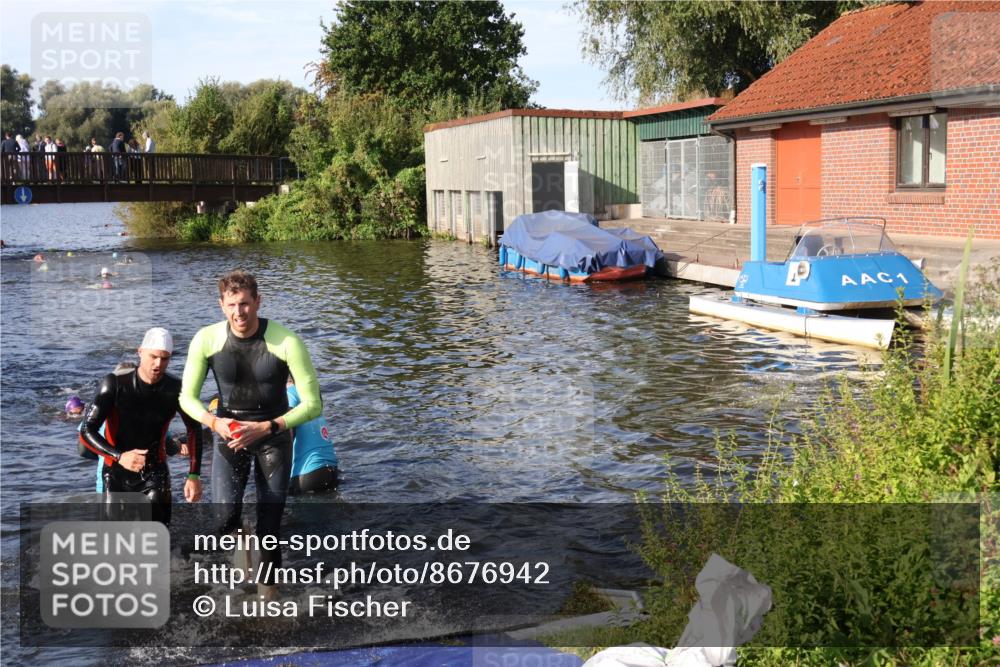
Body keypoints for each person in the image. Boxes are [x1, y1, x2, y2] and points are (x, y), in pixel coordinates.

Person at [180, 270, 321, 599]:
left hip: (272, 436)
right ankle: (242, 535)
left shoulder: (287, 342)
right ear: (221, 305)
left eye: (245, 304)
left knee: (269, 529)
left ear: (258, 301)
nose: (238, 312)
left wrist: (269, 426)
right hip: (228, 435)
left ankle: (267, 602)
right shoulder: (206, 340)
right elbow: (186, 398)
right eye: (231, 305)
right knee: (224, 521)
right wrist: (214, 423)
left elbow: (313, 404)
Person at [79, 328, 204, 525]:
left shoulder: (176, 389)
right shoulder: (114, 384)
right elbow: (86, 431)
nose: (158, 364)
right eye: (153, 357)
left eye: (165, 359)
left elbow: (194, 430)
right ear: (140, 352)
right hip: (115, 473)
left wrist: (194, 475)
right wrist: (120, 456)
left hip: (155, 472)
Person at [286, 378, 339, 495]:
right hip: (331, 467)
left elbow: (286, 439)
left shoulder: (288, 395)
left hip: (307, 473)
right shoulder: (312, 390)